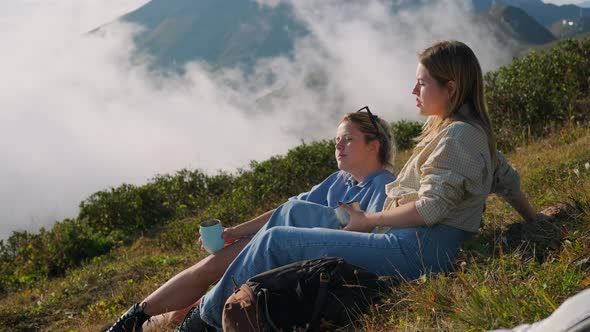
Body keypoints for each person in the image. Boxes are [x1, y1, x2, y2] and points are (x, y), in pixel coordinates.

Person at [186, 40, 553, 331]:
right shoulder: (468, 133)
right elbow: (507, 181)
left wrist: (367, 220)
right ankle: (206, 310)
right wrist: (533, 219)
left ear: (450, 88)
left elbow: (430, 209)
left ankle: (201, 321)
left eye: (422, 82)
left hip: (413, 252)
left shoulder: (458, 135)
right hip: (411, 245)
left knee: (275, 241)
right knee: (292, 216)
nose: (414, 89)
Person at [104, 110, 397, 332]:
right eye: (336, 141)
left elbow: (364, 243)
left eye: (349, 140)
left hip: (304, 262)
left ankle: (184, 321)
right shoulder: (339, 180)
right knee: (211, 265)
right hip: (281, 247)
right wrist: (236, 232)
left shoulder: (383, 185)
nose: (339, 147)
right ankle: (132, 320)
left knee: (215, 283)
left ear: (374, 146)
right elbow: (286, 210)